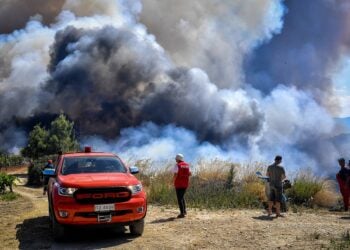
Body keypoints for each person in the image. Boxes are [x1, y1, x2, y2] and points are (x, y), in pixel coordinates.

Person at [172, 154, 191, 218]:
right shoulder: (187, 165)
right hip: (185, 183)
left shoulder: (177, 165)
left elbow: (175, 174)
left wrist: (173, 181)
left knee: (179, 198)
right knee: (182, 197)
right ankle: (184, 211)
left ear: (178, 159)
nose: (175, 159)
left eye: (176, 158)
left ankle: (182, 213)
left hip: (178, 183)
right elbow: (190, 174)